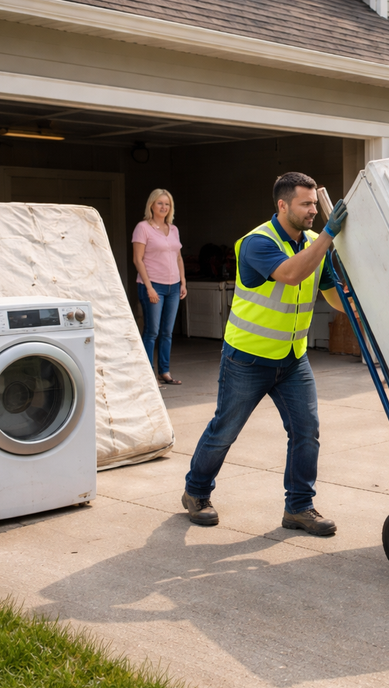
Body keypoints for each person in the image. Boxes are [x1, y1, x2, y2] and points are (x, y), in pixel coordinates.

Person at [181, 172, 349, 536]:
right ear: (282, 205)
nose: (311, 211)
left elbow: (331, 295)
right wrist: (328, 237)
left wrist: (356, 298)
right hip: (248, 358)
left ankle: (299, 508)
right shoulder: (257, 242)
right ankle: (196, 493)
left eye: (312, 203)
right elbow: (290, 274)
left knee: (307, 431)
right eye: (304, 204)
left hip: (292, 359)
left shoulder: (312, 243)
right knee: (224, 431)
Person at [133, 188, 187, 385]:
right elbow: (137, 260)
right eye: (160, 203)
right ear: (151, 205)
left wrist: (183, 281)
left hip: (173, 287)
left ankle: (164, 371)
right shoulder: (143, 228)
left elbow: (178, 257)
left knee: (167, 332)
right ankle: (148, 374)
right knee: (152, 331)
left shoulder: (173, 229)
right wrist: (149, 288)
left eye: (167, 204)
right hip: (153, 285)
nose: (164, 207)